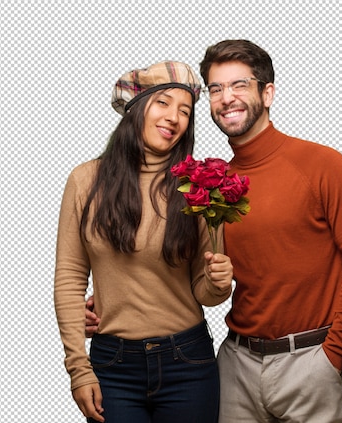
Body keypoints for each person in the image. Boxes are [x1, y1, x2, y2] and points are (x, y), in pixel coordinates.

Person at [87, 40, 342, 422]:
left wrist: (333, 352)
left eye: (239, 85)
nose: (227, 98)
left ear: (268, 92)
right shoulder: (212, 184)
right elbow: (183, 267)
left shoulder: (322, 164)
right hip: (235, 364)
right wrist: (111, 298)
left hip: (310, 361)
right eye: (215, 89)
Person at [54, 61, 233, 423]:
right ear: (136, 107)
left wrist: (219, 282)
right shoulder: (85, 180)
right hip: (112, 366)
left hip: (188, 362)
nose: (174, 118)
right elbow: (70, 278)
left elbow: (204, 292)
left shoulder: (197, 185)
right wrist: (79, 368)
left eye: (185, 110)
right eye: (163, 103)